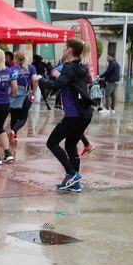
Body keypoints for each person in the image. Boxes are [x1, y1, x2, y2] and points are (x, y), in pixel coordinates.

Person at [36, 39, 94, 192]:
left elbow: (56, 86)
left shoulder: (69, 67)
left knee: (52, 143)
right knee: (70, 145)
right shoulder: (80, 66)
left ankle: (72, 174)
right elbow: (67, 81)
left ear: (69, 49)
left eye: (64, 47)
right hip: (85, 114)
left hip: (75, 115)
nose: (63, 50)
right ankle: (75, 184)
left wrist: (40, 79)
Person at [8, 50, 36, 147]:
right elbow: (35, 80)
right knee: (23, 118)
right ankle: (13, 131)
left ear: (15, 59)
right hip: (25, 95)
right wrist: (33, 92)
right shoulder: (31, 68)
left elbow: (13, 82)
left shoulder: (13, 69)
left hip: (14, 95)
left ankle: (14, 135)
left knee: (14, 117)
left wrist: (12, 93)